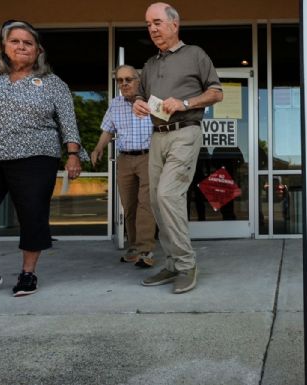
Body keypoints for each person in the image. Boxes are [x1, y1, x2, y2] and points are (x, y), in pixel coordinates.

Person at [0, 20, 88, 301]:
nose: (22, 46)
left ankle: (28, 273)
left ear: (38, 50)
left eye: (28, 43)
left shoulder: (53, 83)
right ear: (2, 46)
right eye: (15, 41)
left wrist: (73, 155)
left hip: (36, 156)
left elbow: (69, 124)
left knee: (32, 215)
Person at [133, 2, 223, 293]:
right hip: (157, 135)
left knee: (168, 195)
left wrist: (185, 103)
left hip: (185, 131)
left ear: (174, 24)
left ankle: (186, 264)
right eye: (148, 24)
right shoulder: (150, 65)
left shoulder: (195, 54)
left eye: (157, 22)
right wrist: (137, 102)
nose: (152, 29)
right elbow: (140, 95)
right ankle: (172, 263)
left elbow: (216, 92)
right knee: (157, 203)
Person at [91, 65, 157, 267]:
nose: (124, 83)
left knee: (146, 204)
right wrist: (98, 148)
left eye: (129, 79)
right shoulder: (115, 104)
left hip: (148, 157)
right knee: (129, 206)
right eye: (120, 80)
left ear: (138, 80)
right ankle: (135, 246)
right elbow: (107, 130)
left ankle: (146, 250)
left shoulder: (152, 101)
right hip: (125, 159)